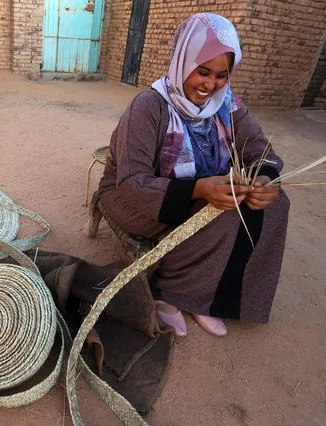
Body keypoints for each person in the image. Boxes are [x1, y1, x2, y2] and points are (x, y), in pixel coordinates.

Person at [97, 13, 290, 337]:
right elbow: (132, 182)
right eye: (202, 72)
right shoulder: (148, 107)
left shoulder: (228, 105)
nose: (210, 84)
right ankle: (168, 291)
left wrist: (265, 180)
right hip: (135, 197)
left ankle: (208, 298)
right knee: (217, 209)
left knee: (275, 203)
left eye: (221, 75)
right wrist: (198, 189)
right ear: (182, 62)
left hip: (200, 189)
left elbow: (260, 148)